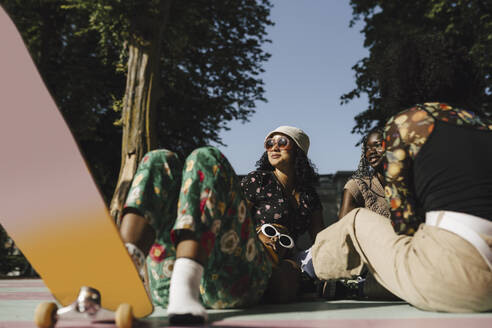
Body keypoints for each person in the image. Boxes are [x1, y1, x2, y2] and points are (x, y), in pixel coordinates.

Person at [118, 125, 324, 325]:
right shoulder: (258, 181)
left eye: (281, 142)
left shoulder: (309, 197)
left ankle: (187, 283)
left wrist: (299, 269)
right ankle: (124, 273)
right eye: (269, 142)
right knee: (159, 159)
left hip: (238, 280)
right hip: (170, 282)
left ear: (298, 149)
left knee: (204, 156)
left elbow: (321, 243)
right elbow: (225, 217)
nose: (273, 147)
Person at [311, 102, 492, 312]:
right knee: (381, 280)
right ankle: (355, 285)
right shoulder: (485, 128)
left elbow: (403, 221)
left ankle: (309, 273)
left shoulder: (408, 121)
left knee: (355, 219)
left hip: (455, 277)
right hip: (467, 269)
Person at [339, 128, 389, 219]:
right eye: (367, 148)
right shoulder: (357, 187)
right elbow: (343, 229)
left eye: (378, 145)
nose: (371, 151)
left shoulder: (410, 184)